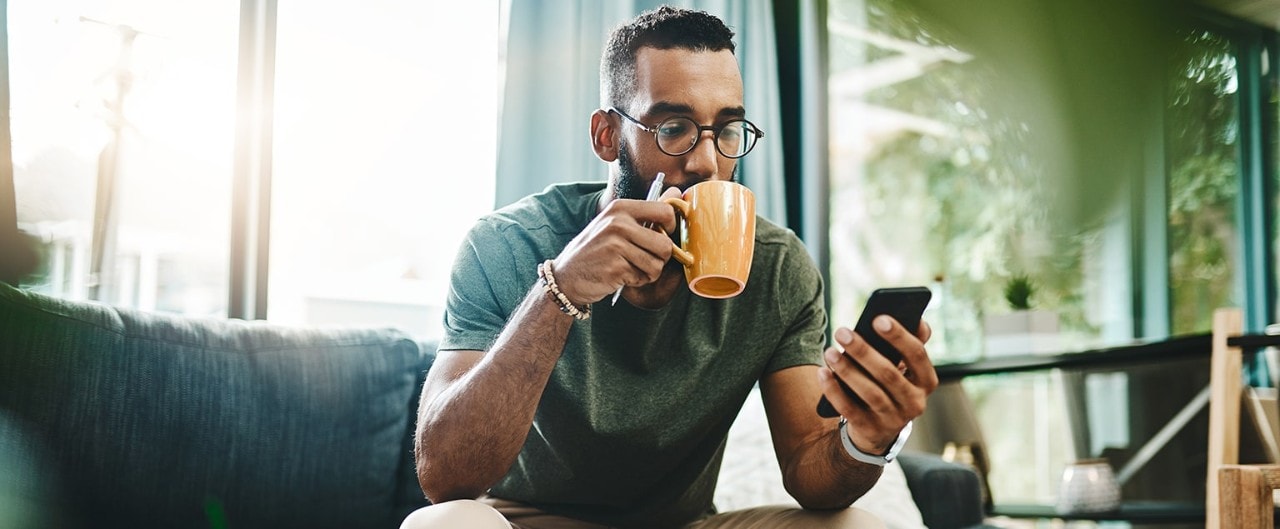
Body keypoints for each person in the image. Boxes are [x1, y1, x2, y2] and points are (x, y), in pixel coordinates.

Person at [402, 6, 937, 529]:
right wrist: (558, 291)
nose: (706, 162)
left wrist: (866, 438)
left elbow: (807, 470)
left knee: (859, 525)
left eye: (727, 130)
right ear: (607, 135)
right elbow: (445, 478)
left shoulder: (776, 267)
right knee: (445, 524)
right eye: (674, 127)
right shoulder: (506, 244)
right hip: (529, 520)